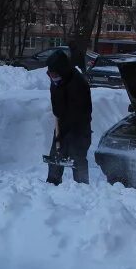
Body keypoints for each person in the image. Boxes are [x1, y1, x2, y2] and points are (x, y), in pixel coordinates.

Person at [45, 49, 92, 185]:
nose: (52, 76)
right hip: (62, 124)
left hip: (79, 127)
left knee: (78, 157)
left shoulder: (78, 84)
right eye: (50, 73)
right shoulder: (56, 81)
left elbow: (78, 113)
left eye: (54, 73)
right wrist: (59, 128)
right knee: (55, 155)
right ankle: (51, 184)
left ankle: (82, 187)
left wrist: (64, 133)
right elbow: (57, 105)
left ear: (63, 70)